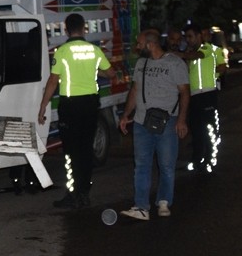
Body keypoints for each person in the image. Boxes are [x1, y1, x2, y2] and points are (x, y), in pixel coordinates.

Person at [38, 13, 112, 209]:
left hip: (70, 107)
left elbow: (53, 81)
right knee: (86, 150)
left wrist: (43, 105)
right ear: (84, 28)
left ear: (65, 28)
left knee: (71, 152)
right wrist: (94, 70)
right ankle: (84, 194)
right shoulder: (94, 50)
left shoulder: (62, 51)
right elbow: (110, 72)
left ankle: (72, 194)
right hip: (90, 105)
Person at [118, 29, 189, 220]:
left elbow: (185, 92)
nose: (137, 47)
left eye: (139, 44)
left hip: (168, 121)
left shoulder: (175, 63)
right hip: (141, 122)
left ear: (150, 45)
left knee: (166, 165)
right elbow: (134, 91)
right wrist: (126, 115)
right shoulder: (141, 63)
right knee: (141, 164)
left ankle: (164, 201)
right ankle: (141, 207)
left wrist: (181, 120)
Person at [183, 23, 227, 172]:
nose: (188, 39)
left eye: (191, 36)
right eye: (186, 37)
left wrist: (214, 76)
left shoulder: (211, 49)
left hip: (208, 94)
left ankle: (210, 158)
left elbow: (222, 67)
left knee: (209, 128)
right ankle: (197, 159)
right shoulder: (190, 52)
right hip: (195, 95)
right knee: (196, 129)